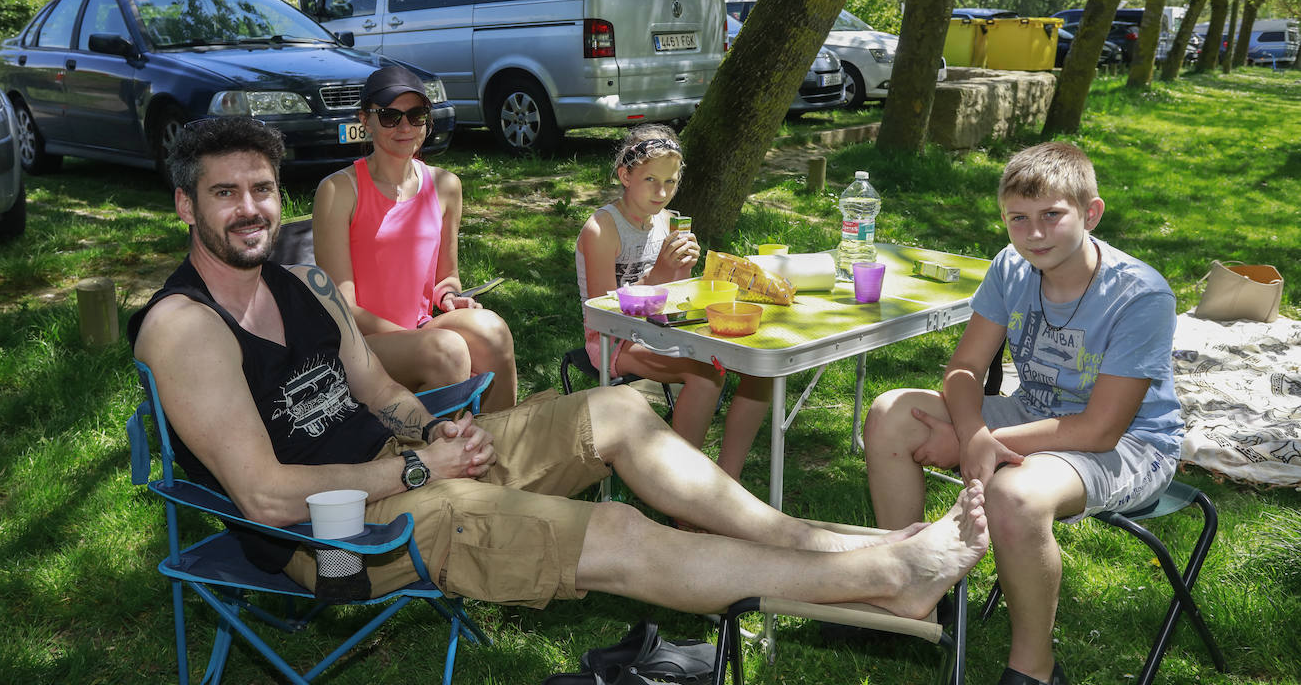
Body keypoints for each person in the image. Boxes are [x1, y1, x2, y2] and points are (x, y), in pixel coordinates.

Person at [130, 115, 990, 625]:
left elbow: (378, 387)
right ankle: (886, 578)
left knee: (615, 410)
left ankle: (835, 541)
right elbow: (267, 499)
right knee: (611, 538)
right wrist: (418, 465)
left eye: (261, 190)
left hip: (409, 468)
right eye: (225, 194)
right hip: (336, 535)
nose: (250, 209)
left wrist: (432, 425)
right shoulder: (184, 329)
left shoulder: (299, 278)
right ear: (184, 206)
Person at [862, 142, 1183, 685]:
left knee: (1013, 496)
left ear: (1091, 212)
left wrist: (983, 442)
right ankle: (913, 593)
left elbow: (1102, 428)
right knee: (890, 412)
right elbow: (963, 369)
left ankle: (1035, 674)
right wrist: (972, 430)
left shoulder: (1141, 294)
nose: (1034, 233)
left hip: (1132, 444)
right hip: (1033, 409)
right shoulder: (1011, 267)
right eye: (1018, 218)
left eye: (1051, 215)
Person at [312, 66, 517, 409]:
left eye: (416, 115)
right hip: (356, 342)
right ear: (366, 119)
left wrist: (450, 296)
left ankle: (504, 448)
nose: (405, 127)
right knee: (446, 350)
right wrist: (416, 337)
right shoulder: (338, 190)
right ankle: (440, 455)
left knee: (491, 330)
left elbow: (446, 278)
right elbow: (340, 307)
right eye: (390, 116)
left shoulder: (445, 186)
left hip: (420, 329)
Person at [575, 125, 770, 481]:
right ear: (625, 175)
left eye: (671, 181)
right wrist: (661, 274)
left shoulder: (669, 222)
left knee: (760, 371)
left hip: (665, 328)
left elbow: (675, 296)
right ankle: (682, 487)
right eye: (650, 179)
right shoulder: (602, 229)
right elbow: (604, 314)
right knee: (706, 374)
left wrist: (686, 271)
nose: (662, 192)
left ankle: (728, 480)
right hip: (613, 342)